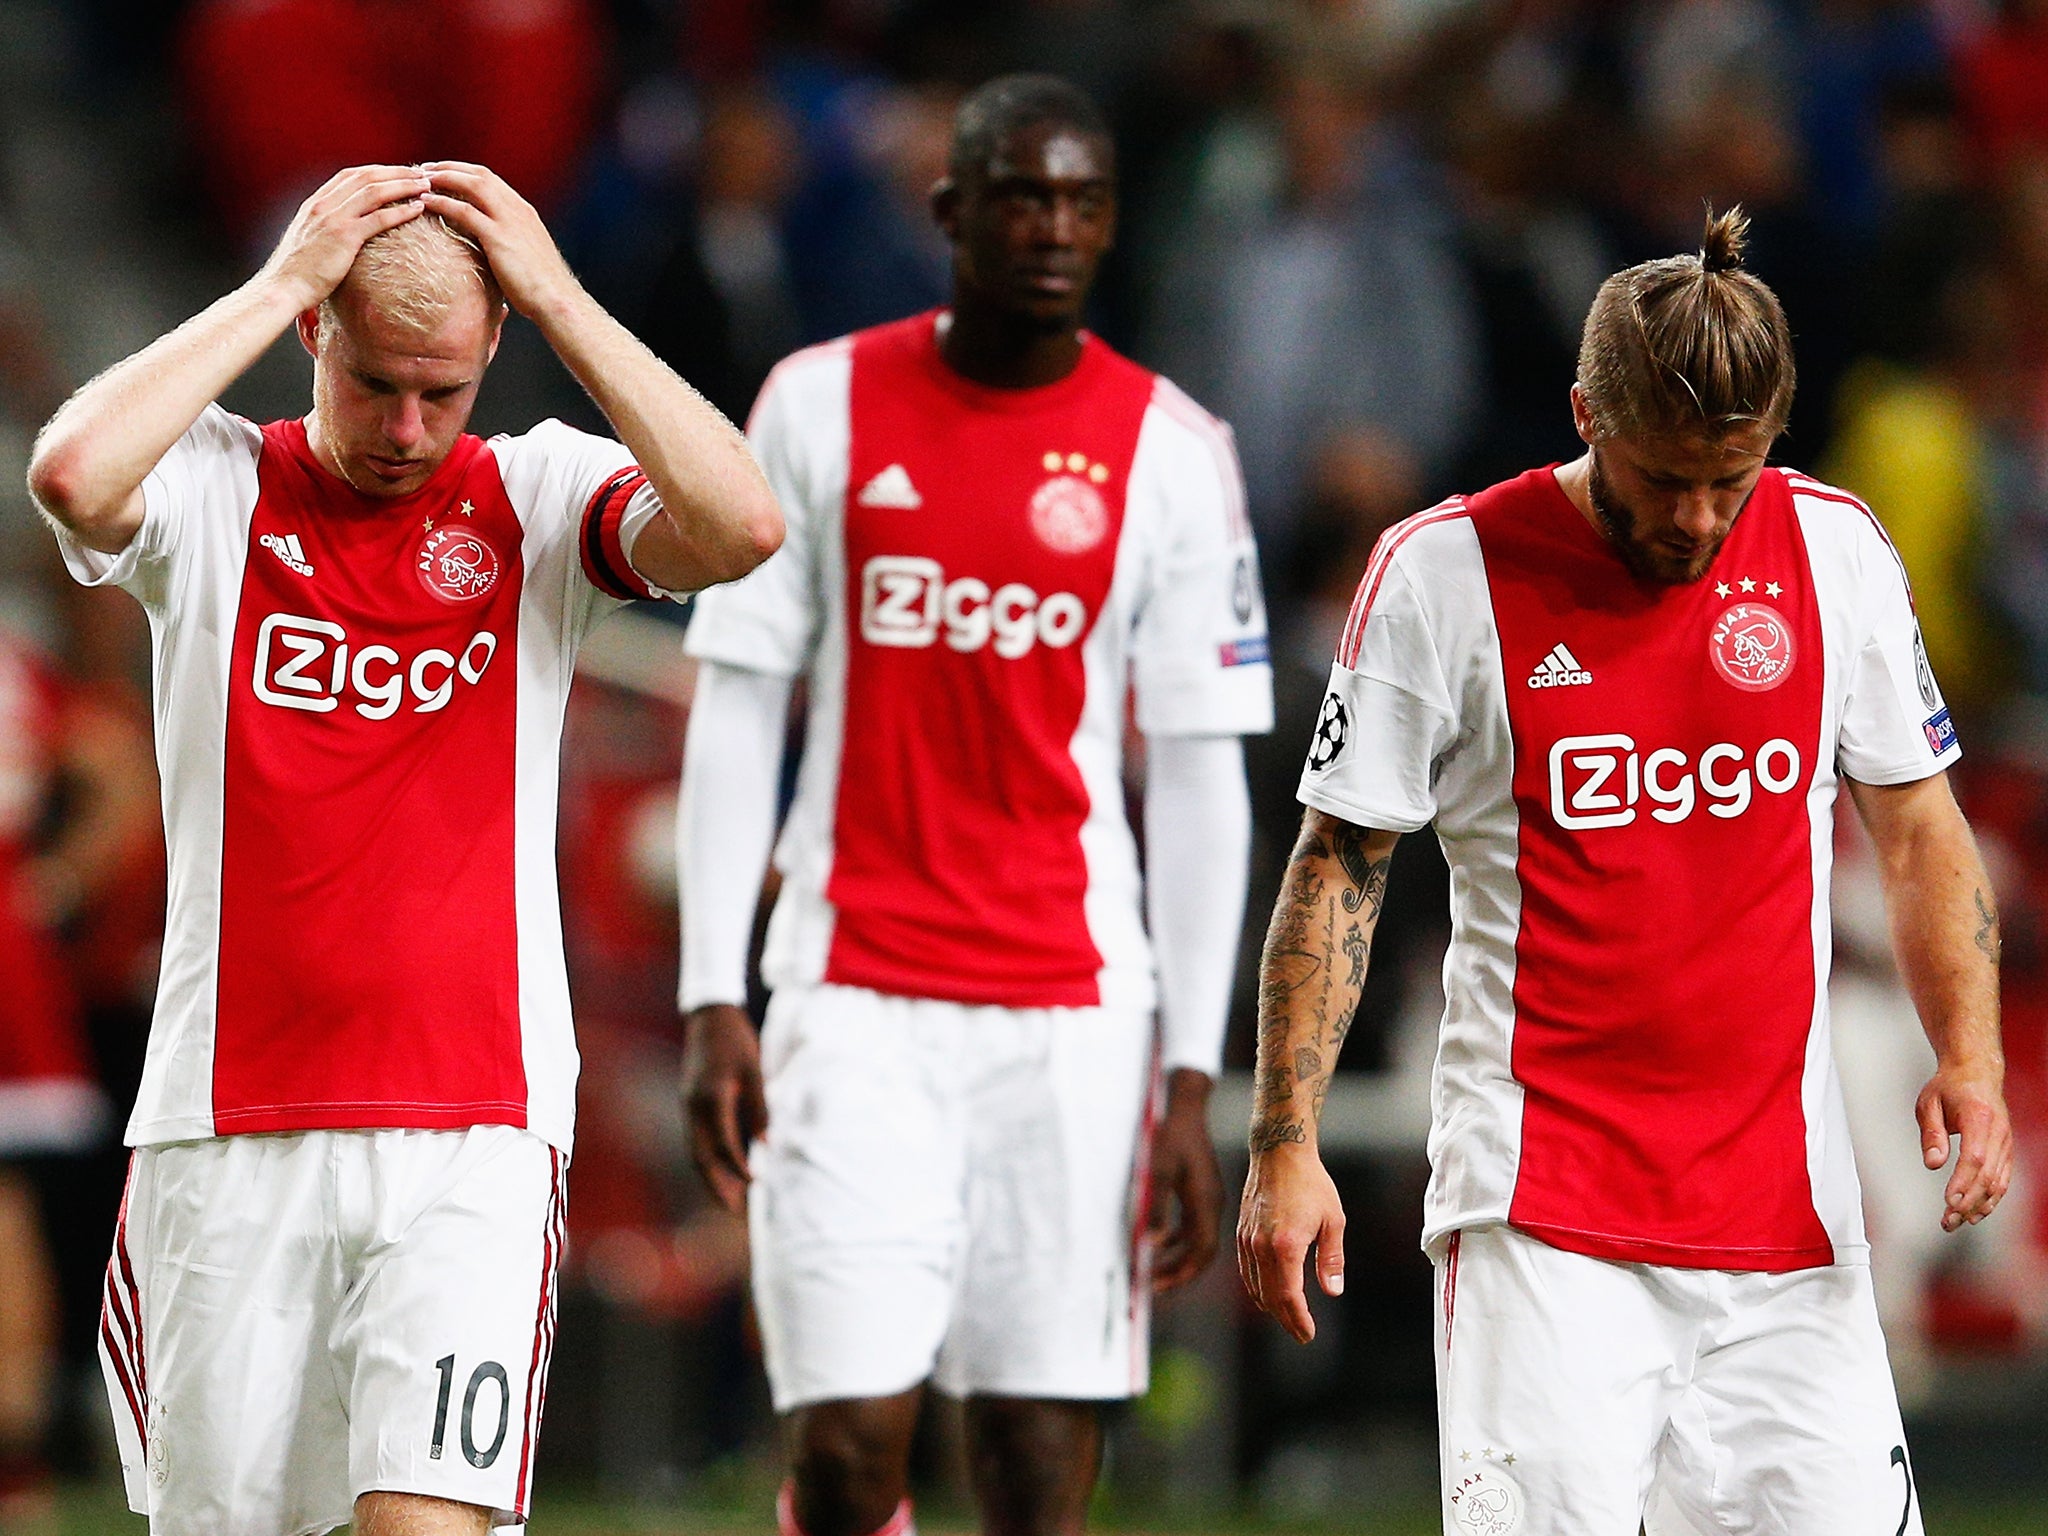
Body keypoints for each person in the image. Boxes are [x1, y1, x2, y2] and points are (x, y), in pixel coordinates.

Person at [25, 162, 781, 1536]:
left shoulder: (542, 495)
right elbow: (73, 476)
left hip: (475, 1133)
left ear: (495, 347)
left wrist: (557, 296)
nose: (411, 426)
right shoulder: (215, 489)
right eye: (378, 383)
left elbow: (743, 524)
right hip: (221, 1126)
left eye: (445, 388)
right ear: (318, 335)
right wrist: (276, 280)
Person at [1236, 208, 2013, 1536]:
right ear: (1587, 412)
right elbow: (1339, 867)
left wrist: (1971, 1054)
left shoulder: (1832, 552)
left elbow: (1923, 829)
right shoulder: (1443, 575)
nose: (1701, 518)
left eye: (1733, 477)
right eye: (1666, 480)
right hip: (1543, 1221)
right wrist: (1283, 1141)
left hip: (1789, 1228)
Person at [677, 75, 1272, 1536]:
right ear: (951, 210)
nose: (1052, 228)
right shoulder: (817, 402)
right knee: (848, 1445)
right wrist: (712, 995)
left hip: (1075, 1020)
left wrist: (1192, 1075)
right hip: (850, 994)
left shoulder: (1174, 451)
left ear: (1113, 223)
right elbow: (742, 699)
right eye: (1020, 196)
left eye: (1081, 202)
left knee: (1031, 1470)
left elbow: (1201, 772)